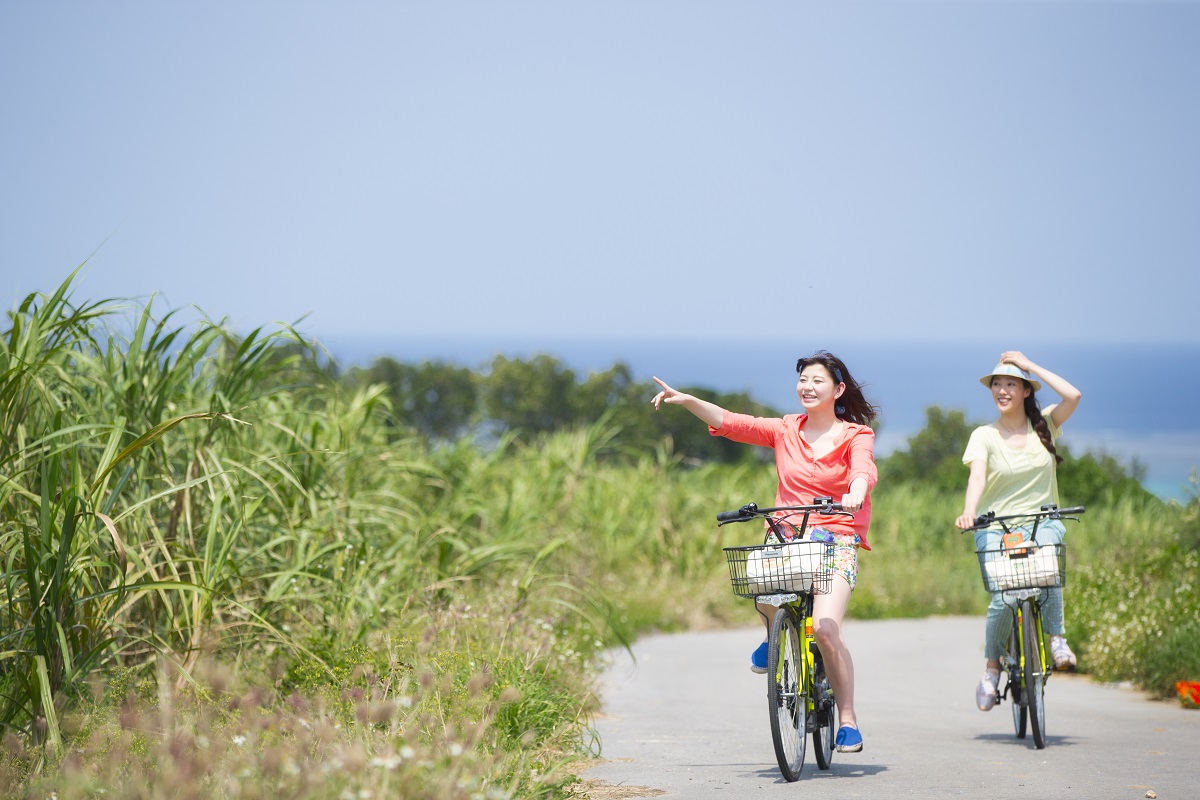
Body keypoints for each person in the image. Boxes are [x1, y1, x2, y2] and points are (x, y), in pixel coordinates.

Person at [651, 351, 878, 754]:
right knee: (759, 577)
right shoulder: (785, 429)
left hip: (836, 538)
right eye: (803, 379)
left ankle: (847, 720)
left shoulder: (855, 435)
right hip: (789, 535)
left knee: (826, 630)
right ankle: (773, 634)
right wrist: (687, 400)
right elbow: (734, 423)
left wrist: (855, 494)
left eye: (817, 381)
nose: (807, 387)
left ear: (838, 390)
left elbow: (863, 470)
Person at [954, 351, 1083, 712]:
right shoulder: (984, 435)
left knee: (1049, 573)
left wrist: (1030, 366)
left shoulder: (1044, 423)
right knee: (1003, 596)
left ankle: (1056, 638)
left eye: (1011, 383)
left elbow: (1073, 396)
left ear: (1026, 390)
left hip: (1042, 520)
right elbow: (976, 477)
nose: (1003, 390)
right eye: (997, 384)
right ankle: (992, 669)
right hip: (996, 525)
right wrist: (969, 512)